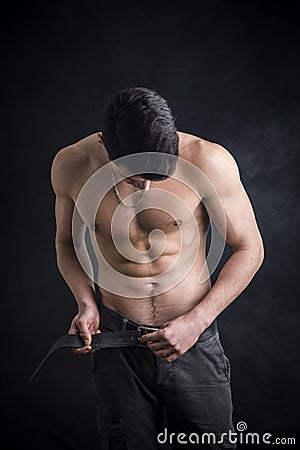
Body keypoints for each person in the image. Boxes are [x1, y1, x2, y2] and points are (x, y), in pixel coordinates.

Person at [50, 86, 264, 449]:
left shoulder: (209, 161)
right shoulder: (72, 165)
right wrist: (85, 303)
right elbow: (66, 243)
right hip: (118, 344)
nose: (147, 186)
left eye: (159, 174)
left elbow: (250, 249)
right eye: (134, 176)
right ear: (105, 144)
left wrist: (196, 323)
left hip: (193, 339)